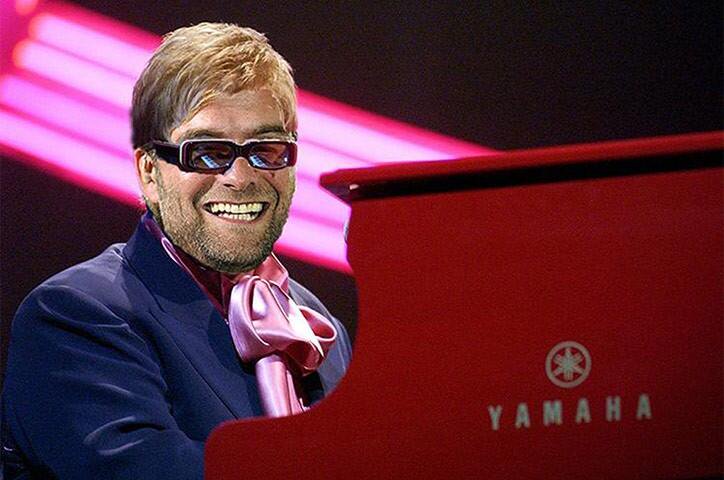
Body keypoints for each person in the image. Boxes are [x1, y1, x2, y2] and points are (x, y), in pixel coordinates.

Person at [1, 23, 352, 480]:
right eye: (206, 153)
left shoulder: (320, 327)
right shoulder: (74, 316)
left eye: (266, 150)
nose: (241, 177)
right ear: (149, 172)